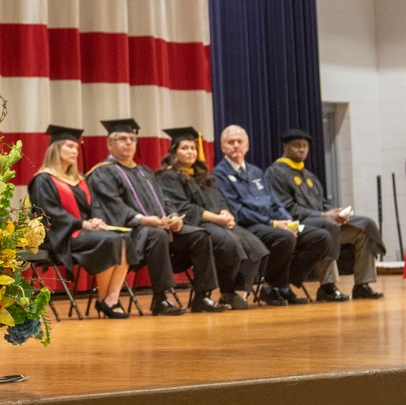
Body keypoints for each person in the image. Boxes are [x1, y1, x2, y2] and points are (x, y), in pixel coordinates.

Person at [87, 118, 229, 315]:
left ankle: (202, 297)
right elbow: (113, 207)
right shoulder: (103, 172)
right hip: (132, 232)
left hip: (160, 228)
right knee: (156, 234)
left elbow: (164, 200)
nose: (129, 143)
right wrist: (145, 220)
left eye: (132, 139)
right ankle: (161, 299)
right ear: (110, 144)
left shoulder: (144, 171)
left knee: (200, 235)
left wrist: (173, 217)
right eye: (122, 138)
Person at [28, 124, 140, 319]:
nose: (74, 151)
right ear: (56, 149)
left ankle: (110, 298)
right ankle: (105, 300)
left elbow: (93, 206)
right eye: (69, 146)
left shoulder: (79, 180)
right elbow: (49, 213)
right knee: (110, 240)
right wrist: (82, 224)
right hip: (58, 236)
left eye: (76, 148)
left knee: (124, 238)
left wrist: (95, 220)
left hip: (83, 233)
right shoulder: (43, 180)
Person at [212, 125, 331, 306]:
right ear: (222, 147)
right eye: (231, 142)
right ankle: (279, 288)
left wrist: (289, 221)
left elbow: (276, 203)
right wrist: (273, 223)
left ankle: (276, 285)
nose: (236, 145)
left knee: (321, 237)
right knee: (283, 238)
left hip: (274, 223)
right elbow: (237, 210)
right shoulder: (219, 174)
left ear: (247, 145)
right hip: (248, 226)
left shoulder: (256, 171)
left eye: (239, 142)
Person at [155, 127, 269, 310]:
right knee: (228, 243)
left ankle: (237, 291)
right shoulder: (169, 176)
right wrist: (217, 218)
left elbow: (220, 199)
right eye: (184, 148)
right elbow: (184, 208)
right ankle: (223, 291)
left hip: (217, 222)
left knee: (255, 245)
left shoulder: (203, 175)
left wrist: (225, 212)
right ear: (174, 153)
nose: (190, 152)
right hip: (192, 226)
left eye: (192, 148)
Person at [266, 130, 385, 301]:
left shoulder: (310, 176)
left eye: (305, 146)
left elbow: (322, 203)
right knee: (328, 226)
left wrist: (336, 212)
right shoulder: (275, 172)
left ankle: (362, 285)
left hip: (320, 220)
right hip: (297, 225)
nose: (301, 149)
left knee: (364, 225)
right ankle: (327, 286)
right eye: (296, 145)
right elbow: (287, 208)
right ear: (285, 147)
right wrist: (324, 215)